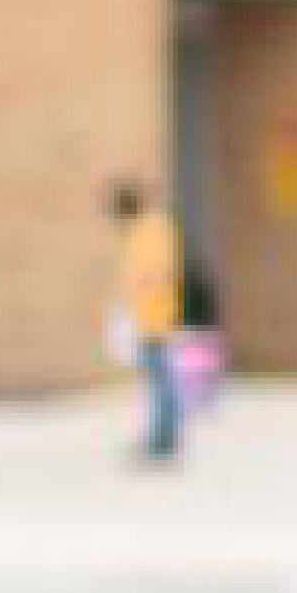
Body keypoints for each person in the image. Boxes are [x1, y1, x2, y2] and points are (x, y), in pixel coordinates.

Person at [104, 176, 199, 467]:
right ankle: (159, 437)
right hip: (148, 317)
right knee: (159, 381)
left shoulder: (151, 231)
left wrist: (142, 291)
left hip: (157, 318)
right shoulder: (147, 230)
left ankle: (163, 440)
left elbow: (158, 271)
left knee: (162, 382)